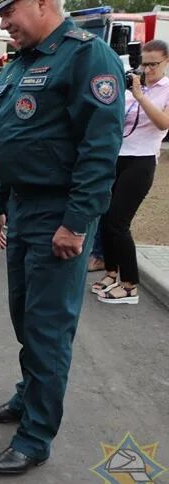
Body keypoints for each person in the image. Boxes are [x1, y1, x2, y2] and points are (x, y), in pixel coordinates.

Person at [0, 0, 124, 476]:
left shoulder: (86, 55)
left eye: (8, 11)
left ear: (43, 3)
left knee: (48, 327)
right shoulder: (24, 61)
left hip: (58, 212)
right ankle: (28, 395)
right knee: (23, 312)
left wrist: (77, 222)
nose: (3, 23)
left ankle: (36, 436)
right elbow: (4, 134)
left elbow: (101, 147)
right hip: (22, 207)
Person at [93, 39, 169, 304]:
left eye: (153, 64)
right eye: (143, 63)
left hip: (142, 160)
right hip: (118, 157)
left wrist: (140, 96)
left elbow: (163, 124)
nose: (147, 70)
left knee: (118, 221)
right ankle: (111, 273)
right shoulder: (131, 85)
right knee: (105, 216)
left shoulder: (166, 89)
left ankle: (129, 285)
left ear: (166, 62)